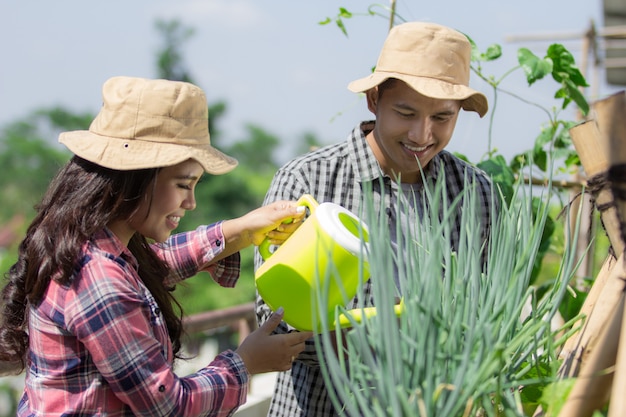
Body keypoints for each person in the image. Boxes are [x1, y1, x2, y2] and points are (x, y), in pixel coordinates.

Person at [0, 76, 313, 416]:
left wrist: (243, 230)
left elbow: (155, 265)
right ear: (136, 177)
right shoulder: (98, 278)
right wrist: (245, 363)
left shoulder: (95, 247)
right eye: (183, 185)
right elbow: (166, 405)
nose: (191, 202)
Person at [255, 22, 497, 416]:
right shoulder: (309, 181)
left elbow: (487, 310)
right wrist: (386, 344)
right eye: (406, 113)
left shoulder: (475, 194)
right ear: (373, 100)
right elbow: (275, 318)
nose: (422, 134)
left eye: (442, 117)